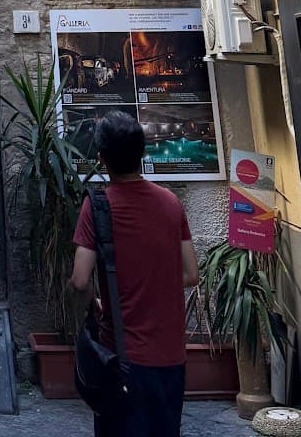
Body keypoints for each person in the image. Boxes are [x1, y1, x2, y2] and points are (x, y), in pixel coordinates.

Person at [72, 110, 200, 437]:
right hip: (171, 358)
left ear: (102, 158)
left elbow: (80, 279)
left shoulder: (97, 207)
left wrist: (96, 303)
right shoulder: (171, 203)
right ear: (142, 153)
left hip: (122, 358)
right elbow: (191, 273)